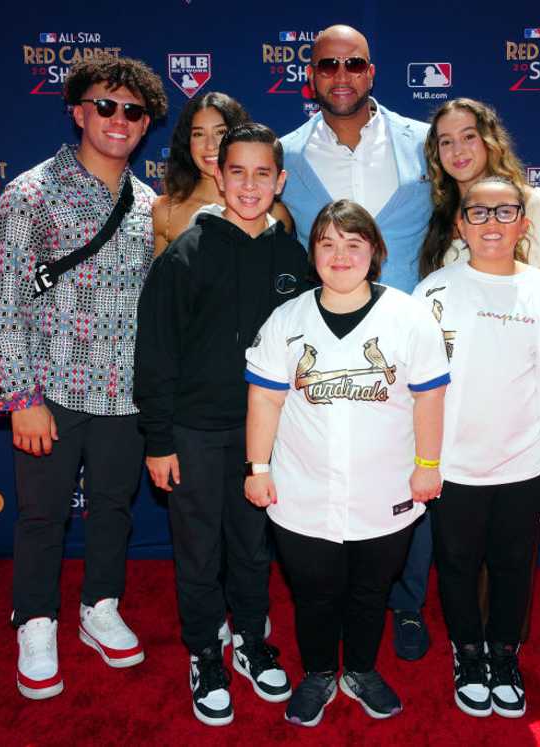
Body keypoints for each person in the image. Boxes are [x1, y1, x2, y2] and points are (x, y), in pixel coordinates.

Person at [279, 24, 540, 660]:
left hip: (414, 347)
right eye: (327, 63)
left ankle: (408, 605)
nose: (342, 74)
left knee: (419, 475)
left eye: (355, 62)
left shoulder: (421, 142)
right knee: (343, 475)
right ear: (309, 74)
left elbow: (493, 189)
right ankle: (340, 606)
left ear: (373, 71)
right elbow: (236, 196)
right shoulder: (282, 153)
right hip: (325, 346)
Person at [0, 53, 167, 700]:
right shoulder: (30, 192)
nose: (119, 120)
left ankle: (100, 605)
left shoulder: (150, 203)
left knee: (114, 508)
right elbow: (2, 302)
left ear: (146, 125)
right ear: (79, 110)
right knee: (42, 516)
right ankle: (35, 620)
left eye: (133, 111)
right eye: (106, 105)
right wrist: (23, 397)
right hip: (52, 391)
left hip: (125, 394)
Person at [244, 199, 450, 727]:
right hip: (302, 489)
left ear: (375, 252)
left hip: (386, 490)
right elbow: (265, 399)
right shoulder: (286, 318)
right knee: (313, 594)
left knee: (369, 591)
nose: (341, 255)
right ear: (312, 253)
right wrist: (258, 468)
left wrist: (428, 464)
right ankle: (318, 673)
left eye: (353, 243)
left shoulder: (408, 316)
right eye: (328, 243)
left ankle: (359, 669)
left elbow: (429, 397)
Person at [134, 122, 308, 727]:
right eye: (238, 171)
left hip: (268, 435)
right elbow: (154, 353)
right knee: (200, 549)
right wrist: (159, 440)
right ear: (218, 174)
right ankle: (206, 650)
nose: (251, 184)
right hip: (195, 432)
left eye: (264, 173)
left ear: (280, 180)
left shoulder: (293, 255)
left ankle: (250, 641)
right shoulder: (185, 254)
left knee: (254, 547)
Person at [416, 176, 540, 718]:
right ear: (459, 225)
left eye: (504, 212)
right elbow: (417, 386)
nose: (491, 223)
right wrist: (424, 459)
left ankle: (503, 653)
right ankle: (467, 653)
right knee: (456, 564)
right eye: (478, 213)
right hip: (453, 464)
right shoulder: (432, 294)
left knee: (515, 565)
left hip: (526, 462)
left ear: (523, 223)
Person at [420, 97, 540, 308]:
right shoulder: (436, 214)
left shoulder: (538, 206)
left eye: (469, 137)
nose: (457, 151)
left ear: (490, 141)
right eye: (446, 141)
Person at [153, 92, 294, 255]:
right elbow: (157, 279)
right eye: (198, 134)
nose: (210, 145)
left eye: (220, 132)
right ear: (187, 142)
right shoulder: (165, 211)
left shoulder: (275, 213)